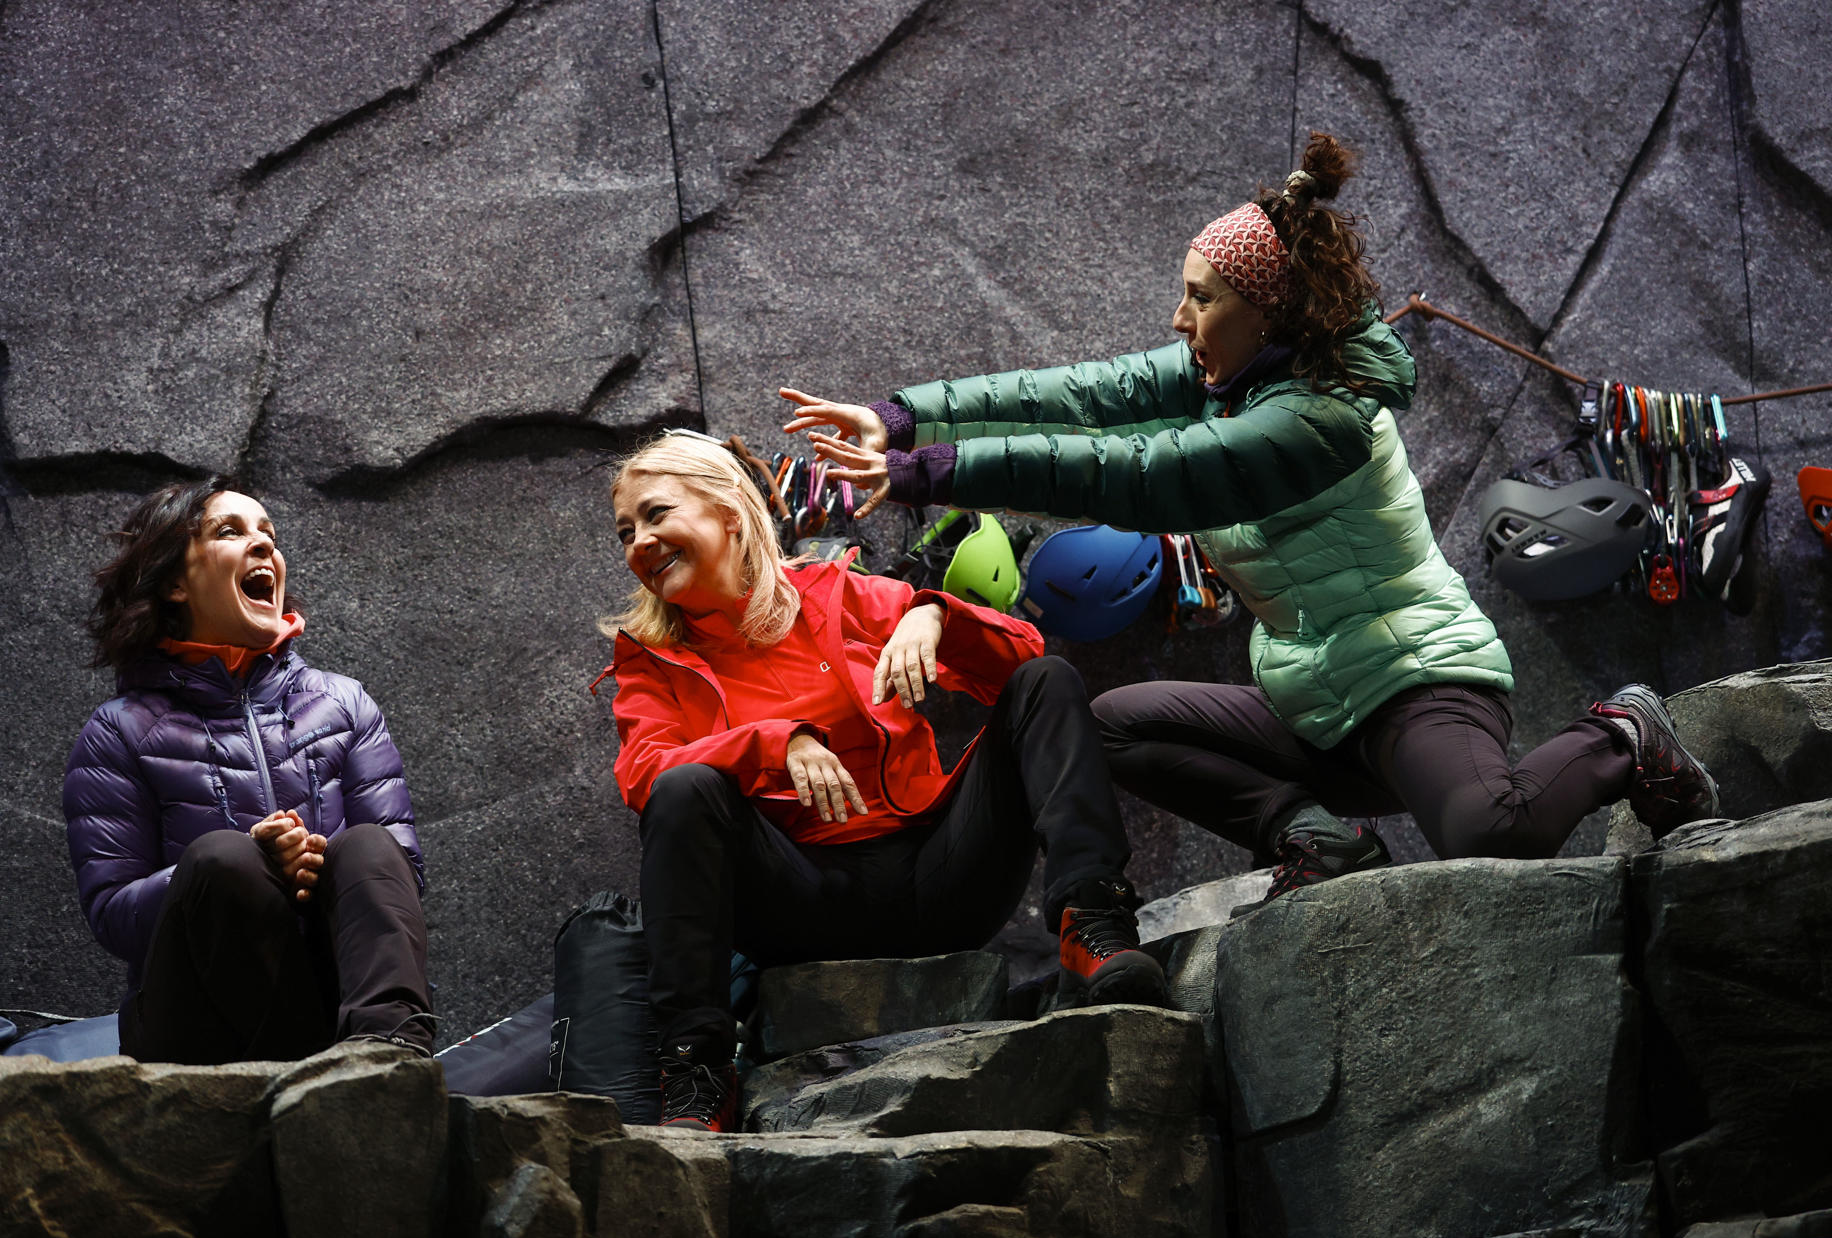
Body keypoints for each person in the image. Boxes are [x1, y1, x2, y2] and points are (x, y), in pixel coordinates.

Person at [785, 132, 1719, 906]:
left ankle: (1624, 733)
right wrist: (903, 418)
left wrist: (923, 476)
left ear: (1266, 314)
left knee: (1489, 833)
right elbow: (1079, 396)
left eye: (1201, 297)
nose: (1179, 316)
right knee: (1110, 725)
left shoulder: (1320, 419)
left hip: (1415, 682)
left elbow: (1134, 475)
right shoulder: (1222, 377)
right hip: (1313, 707)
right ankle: (1318, 840)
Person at [596, 431, 1163, 1132]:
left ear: (727, 514)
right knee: (683, 791)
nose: (640, 543)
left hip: (941, 878)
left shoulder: (836, 593)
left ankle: (1093, 923)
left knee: (1045, 683)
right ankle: (696, 1068)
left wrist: (936, 616)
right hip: (799, 906)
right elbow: (645, 773)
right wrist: (775, 744)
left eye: (656, 515)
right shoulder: (650, 660)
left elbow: (1022, 655)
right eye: (626, 531)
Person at [65, 477, 434, 1064]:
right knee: (222, 857)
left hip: (337, 1013)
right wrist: (251, 862)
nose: (264, 545)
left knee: (367, 847)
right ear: (173, 584)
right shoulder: (120, 730)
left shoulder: (346, 703)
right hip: (199, 1030)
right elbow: (113, 915)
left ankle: (387, 1064)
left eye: (269, 532)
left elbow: (401, 875)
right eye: (229, 532)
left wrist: (317, 866)